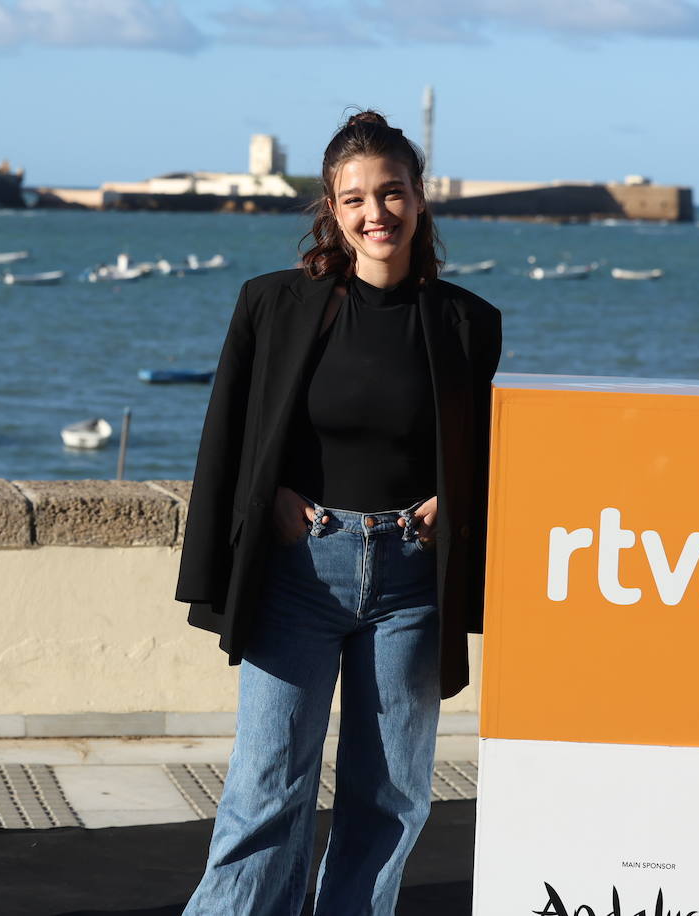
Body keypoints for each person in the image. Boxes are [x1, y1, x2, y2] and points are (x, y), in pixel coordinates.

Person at [175, 110, 502, 915]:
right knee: (263, 794)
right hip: (299, 574)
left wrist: (452, 502)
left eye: (392, 193)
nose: (376, 213)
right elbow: (232, 436)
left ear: (420, 200)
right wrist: (271, 498)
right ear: (331, 206)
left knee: (390, 801)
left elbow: (490, 454)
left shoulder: (469, 324)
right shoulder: (272, 306)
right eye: (355, 198)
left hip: (412, 584)